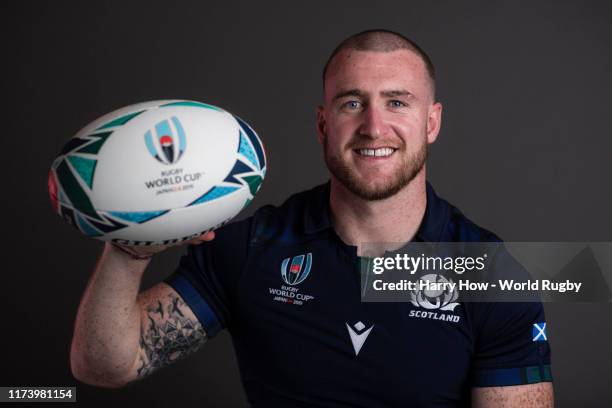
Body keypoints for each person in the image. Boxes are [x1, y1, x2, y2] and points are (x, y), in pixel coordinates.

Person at [70, 29, 554, 407]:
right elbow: (105, 366)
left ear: (432, 123)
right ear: (324, 124)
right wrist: (129, 249)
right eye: (352, 102)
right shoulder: (250, 246)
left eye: (398, 102)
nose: (373, 126)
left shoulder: (493, 279)